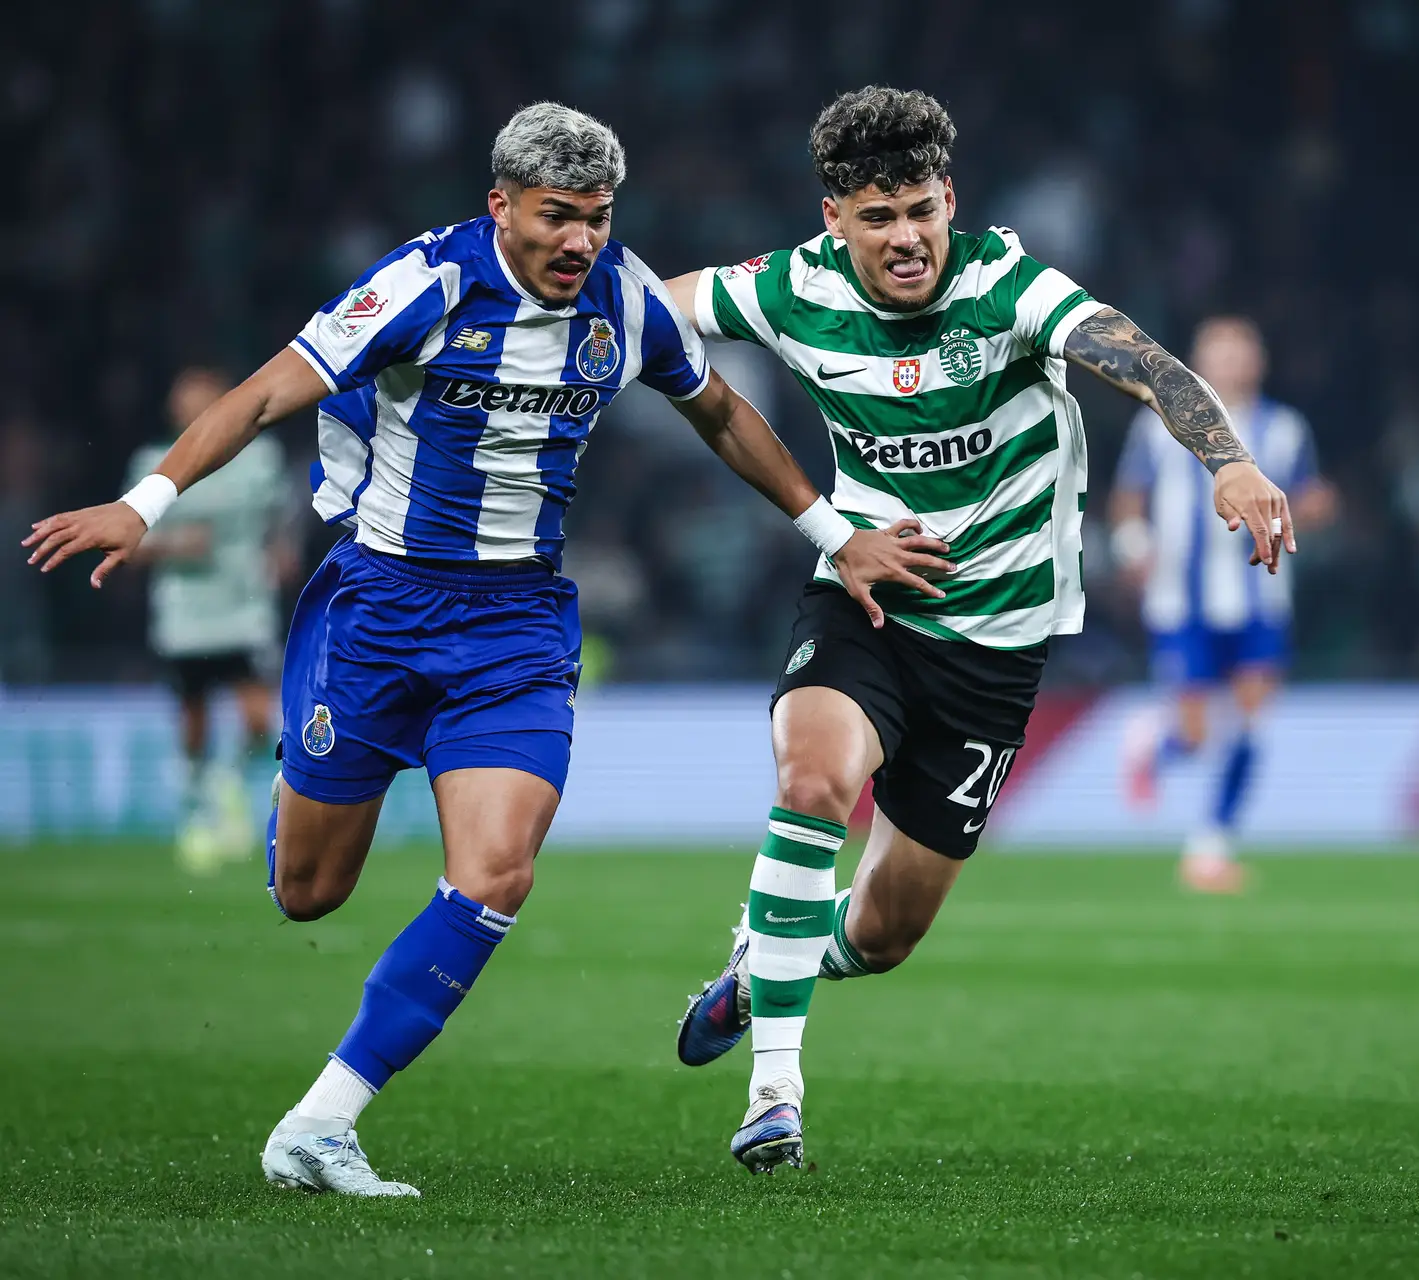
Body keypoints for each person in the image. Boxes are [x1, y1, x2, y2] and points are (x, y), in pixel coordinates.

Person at [24, 102, 935, 1197]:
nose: (579, 243)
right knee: (309, 891)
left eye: (597, 219)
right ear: (500, 204)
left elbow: (723, 412)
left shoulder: (625, 298)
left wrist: (836, 537)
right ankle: (303, 789)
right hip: (379, 607)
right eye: (557, 218)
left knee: (498, 870)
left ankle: (322, 1120)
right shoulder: (422, 286)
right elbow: (272, 386)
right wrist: (147, 500)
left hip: (514, 626)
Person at [665, 86, 1296, 1173]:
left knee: (884, 931)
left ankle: (762, 965)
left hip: (999, 641)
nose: (906, 237)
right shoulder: (786, 288)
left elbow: (1138, 355)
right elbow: (641, 305)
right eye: (879, 217)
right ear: (835, 220)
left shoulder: (1006, 283)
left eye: (921, 208)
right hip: (867, 596)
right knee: (813, 779)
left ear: (948, 197)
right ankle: (776, 1090)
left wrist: (1227, 458)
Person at [1109, 317, 1339, 893]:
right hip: (1181, 602)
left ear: (1258, 361)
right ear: (1197, 361)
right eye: (1220, 353)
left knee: (1249, 725)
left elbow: (1306, 498)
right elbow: (1128, 501)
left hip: (1260, 599)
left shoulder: (1285, 427)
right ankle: (1156, 744)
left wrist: (1313, 510)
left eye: (1241, 352)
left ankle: (1210, 847)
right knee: (1195, 733)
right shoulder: (1159, 423)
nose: (1231, 363)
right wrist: (1134, 547)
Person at [127, 367, 292, 870]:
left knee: (259, 718)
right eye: (184, 400)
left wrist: (282, 548)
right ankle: (198, 805)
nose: (192, 407)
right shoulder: (153, 463)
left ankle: (225, 784)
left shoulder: (259, 458)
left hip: (244, 608)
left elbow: (284, 513)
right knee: (194, 716)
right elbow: (128, 540)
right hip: (184, 614)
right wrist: (175, 545)